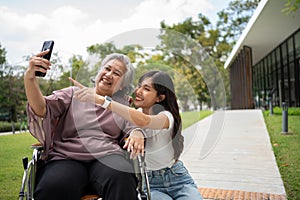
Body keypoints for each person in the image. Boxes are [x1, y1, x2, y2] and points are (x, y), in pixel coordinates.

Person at [24, 51, 145, 200]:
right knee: (53, 185)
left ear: (123, 85)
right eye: (107, 69)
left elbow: (133, 124)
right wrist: (30, 78)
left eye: (116, 73)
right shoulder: (73, 93)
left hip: (107, 157)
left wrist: (137, 132)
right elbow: (41, 108)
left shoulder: (120, 105)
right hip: (66, 158)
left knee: (122, 176)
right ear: (99, 72)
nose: (109, 74)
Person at [71, 70, 203, 200]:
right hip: (151, 183)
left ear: (160, 98)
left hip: (177, 178)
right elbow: (129, 122)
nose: (138, 91)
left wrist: (102, 100)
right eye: (139, 86)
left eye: (146, 88)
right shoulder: (133, 114)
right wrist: (135, 132)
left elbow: (144, 120)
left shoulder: (166, 116)